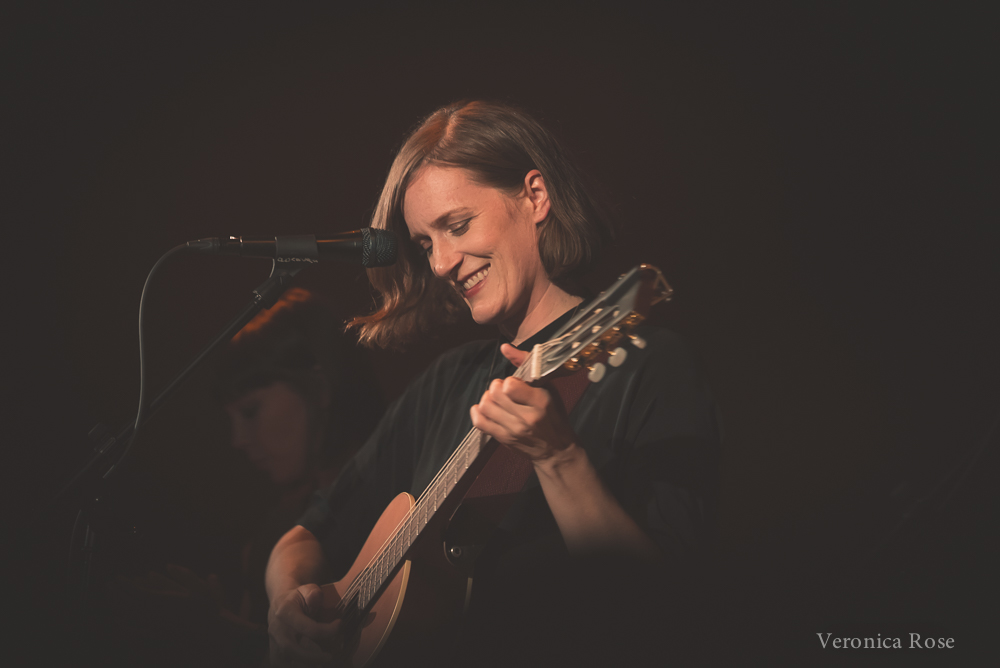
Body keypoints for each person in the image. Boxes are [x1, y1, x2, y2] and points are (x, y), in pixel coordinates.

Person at [265, 101, 722, 667]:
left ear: (535, 196)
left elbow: (663, 611)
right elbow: (305, 536)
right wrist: (286, 602)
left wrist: (558, 459)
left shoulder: (651, 366)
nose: (440, 264)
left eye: (457, 226)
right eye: (426, 243)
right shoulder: (447, 380)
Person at [120, 288, 384, 665]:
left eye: (250, 411)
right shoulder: (273, 530)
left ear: (319, 387)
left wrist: (216, 629)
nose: (238, 440)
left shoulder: (394, 502)